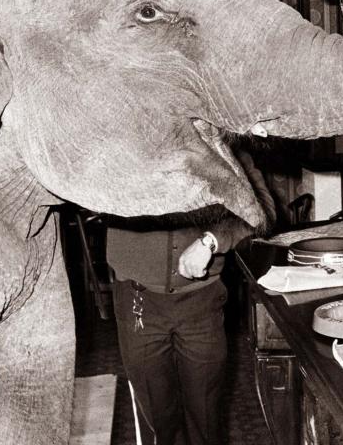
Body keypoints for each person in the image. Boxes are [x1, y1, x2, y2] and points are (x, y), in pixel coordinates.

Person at [105, 145, 276, 445]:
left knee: (206, 418)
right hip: (139, 305)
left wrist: (211, 240)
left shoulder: (223, 148)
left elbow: (262, 211)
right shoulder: (122, 143)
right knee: (158, 422)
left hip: (201, 305)